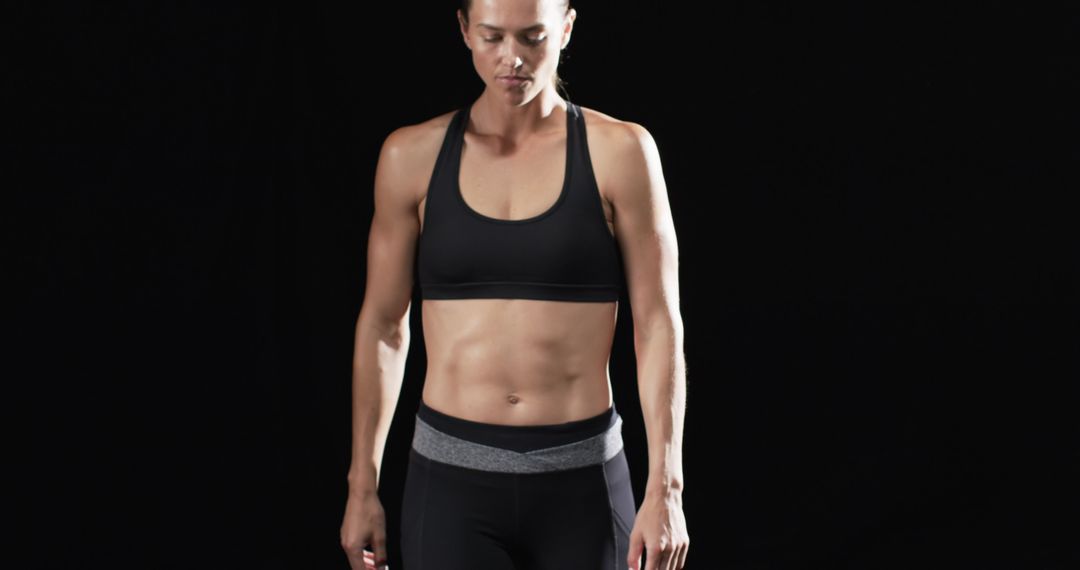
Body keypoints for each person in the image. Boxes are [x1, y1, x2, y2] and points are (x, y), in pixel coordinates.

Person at [340, 0, 688, 568]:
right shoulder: (411, 156)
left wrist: (666, 486)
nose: (512, 59)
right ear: (463, 30)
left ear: (567, 29)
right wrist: (362, 486)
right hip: (451, 485)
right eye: (493, 37)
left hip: (583, 482)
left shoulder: (621, 152)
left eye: (532, 38)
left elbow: (658, 323)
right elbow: (383, 325)